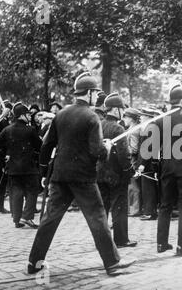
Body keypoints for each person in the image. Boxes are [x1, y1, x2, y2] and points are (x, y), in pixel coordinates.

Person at [28, 72, 135, 277]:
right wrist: (107, 147)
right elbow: (97, 152)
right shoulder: (91, 116)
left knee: (49, 220)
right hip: (83, 178)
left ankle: (34, 263)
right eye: (95, 93)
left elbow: (46, 145)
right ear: (89, 93)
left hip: (59, 176)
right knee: (98, 218)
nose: (97, 97)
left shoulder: (62, 114)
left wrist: (44, 172)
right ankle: (112, 263)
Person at [138, 85, 182, 255]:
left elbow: (150, 145)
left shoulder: (161, 120)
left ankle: (162, 244)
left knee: (165, 206)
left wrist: (142, 164)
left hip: (167, 169)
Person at [0, 103, 42, 228]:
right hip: (28, 167)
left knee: (16, 193)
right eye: (28, 114)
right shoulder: (30, 130)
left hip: (13, 167)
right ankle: (27, 217)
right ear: (21, 116)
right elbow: (39, 146)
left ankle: (17, 219)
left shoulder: (7, 129)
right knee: (32, 191)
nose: (30, 116)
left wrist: (5, 154)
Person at [97, 92, 137, 248]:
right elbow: (123, 155)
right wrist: (130, 171)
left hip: (100, 173)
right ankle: (121, 240)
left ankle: (102, 240)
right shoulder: (118, 128)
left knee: (103, 208)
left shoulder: (99, 125)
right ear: (115, 110)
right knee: (119, 208)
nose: (123, 112)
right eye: (121, 109)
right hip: (116, 175)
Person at [138, 108, 160, 221]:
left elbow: (148, 147)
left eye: (143, 115)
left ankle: (150, 212)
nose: (141, 117)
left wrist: (142, 163)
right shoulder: (150, 127)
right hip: (149, 162)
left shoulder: (150, 128)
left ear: (148, 117)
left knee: (148, 188)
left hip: (148, 163)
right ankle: (150, 211)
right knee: (148, 187)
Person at [122, 108, 143, 217]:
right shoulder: (133, 128)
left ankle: (135, 209)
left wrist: (122, 149)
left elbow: (134, 149)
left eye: (126, 117)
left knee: (134, 187)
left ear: (131, 118)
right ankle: (134, 209)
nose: (124, 119)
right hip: (133, 160)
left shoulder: (134, 130)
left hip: (133, 161)